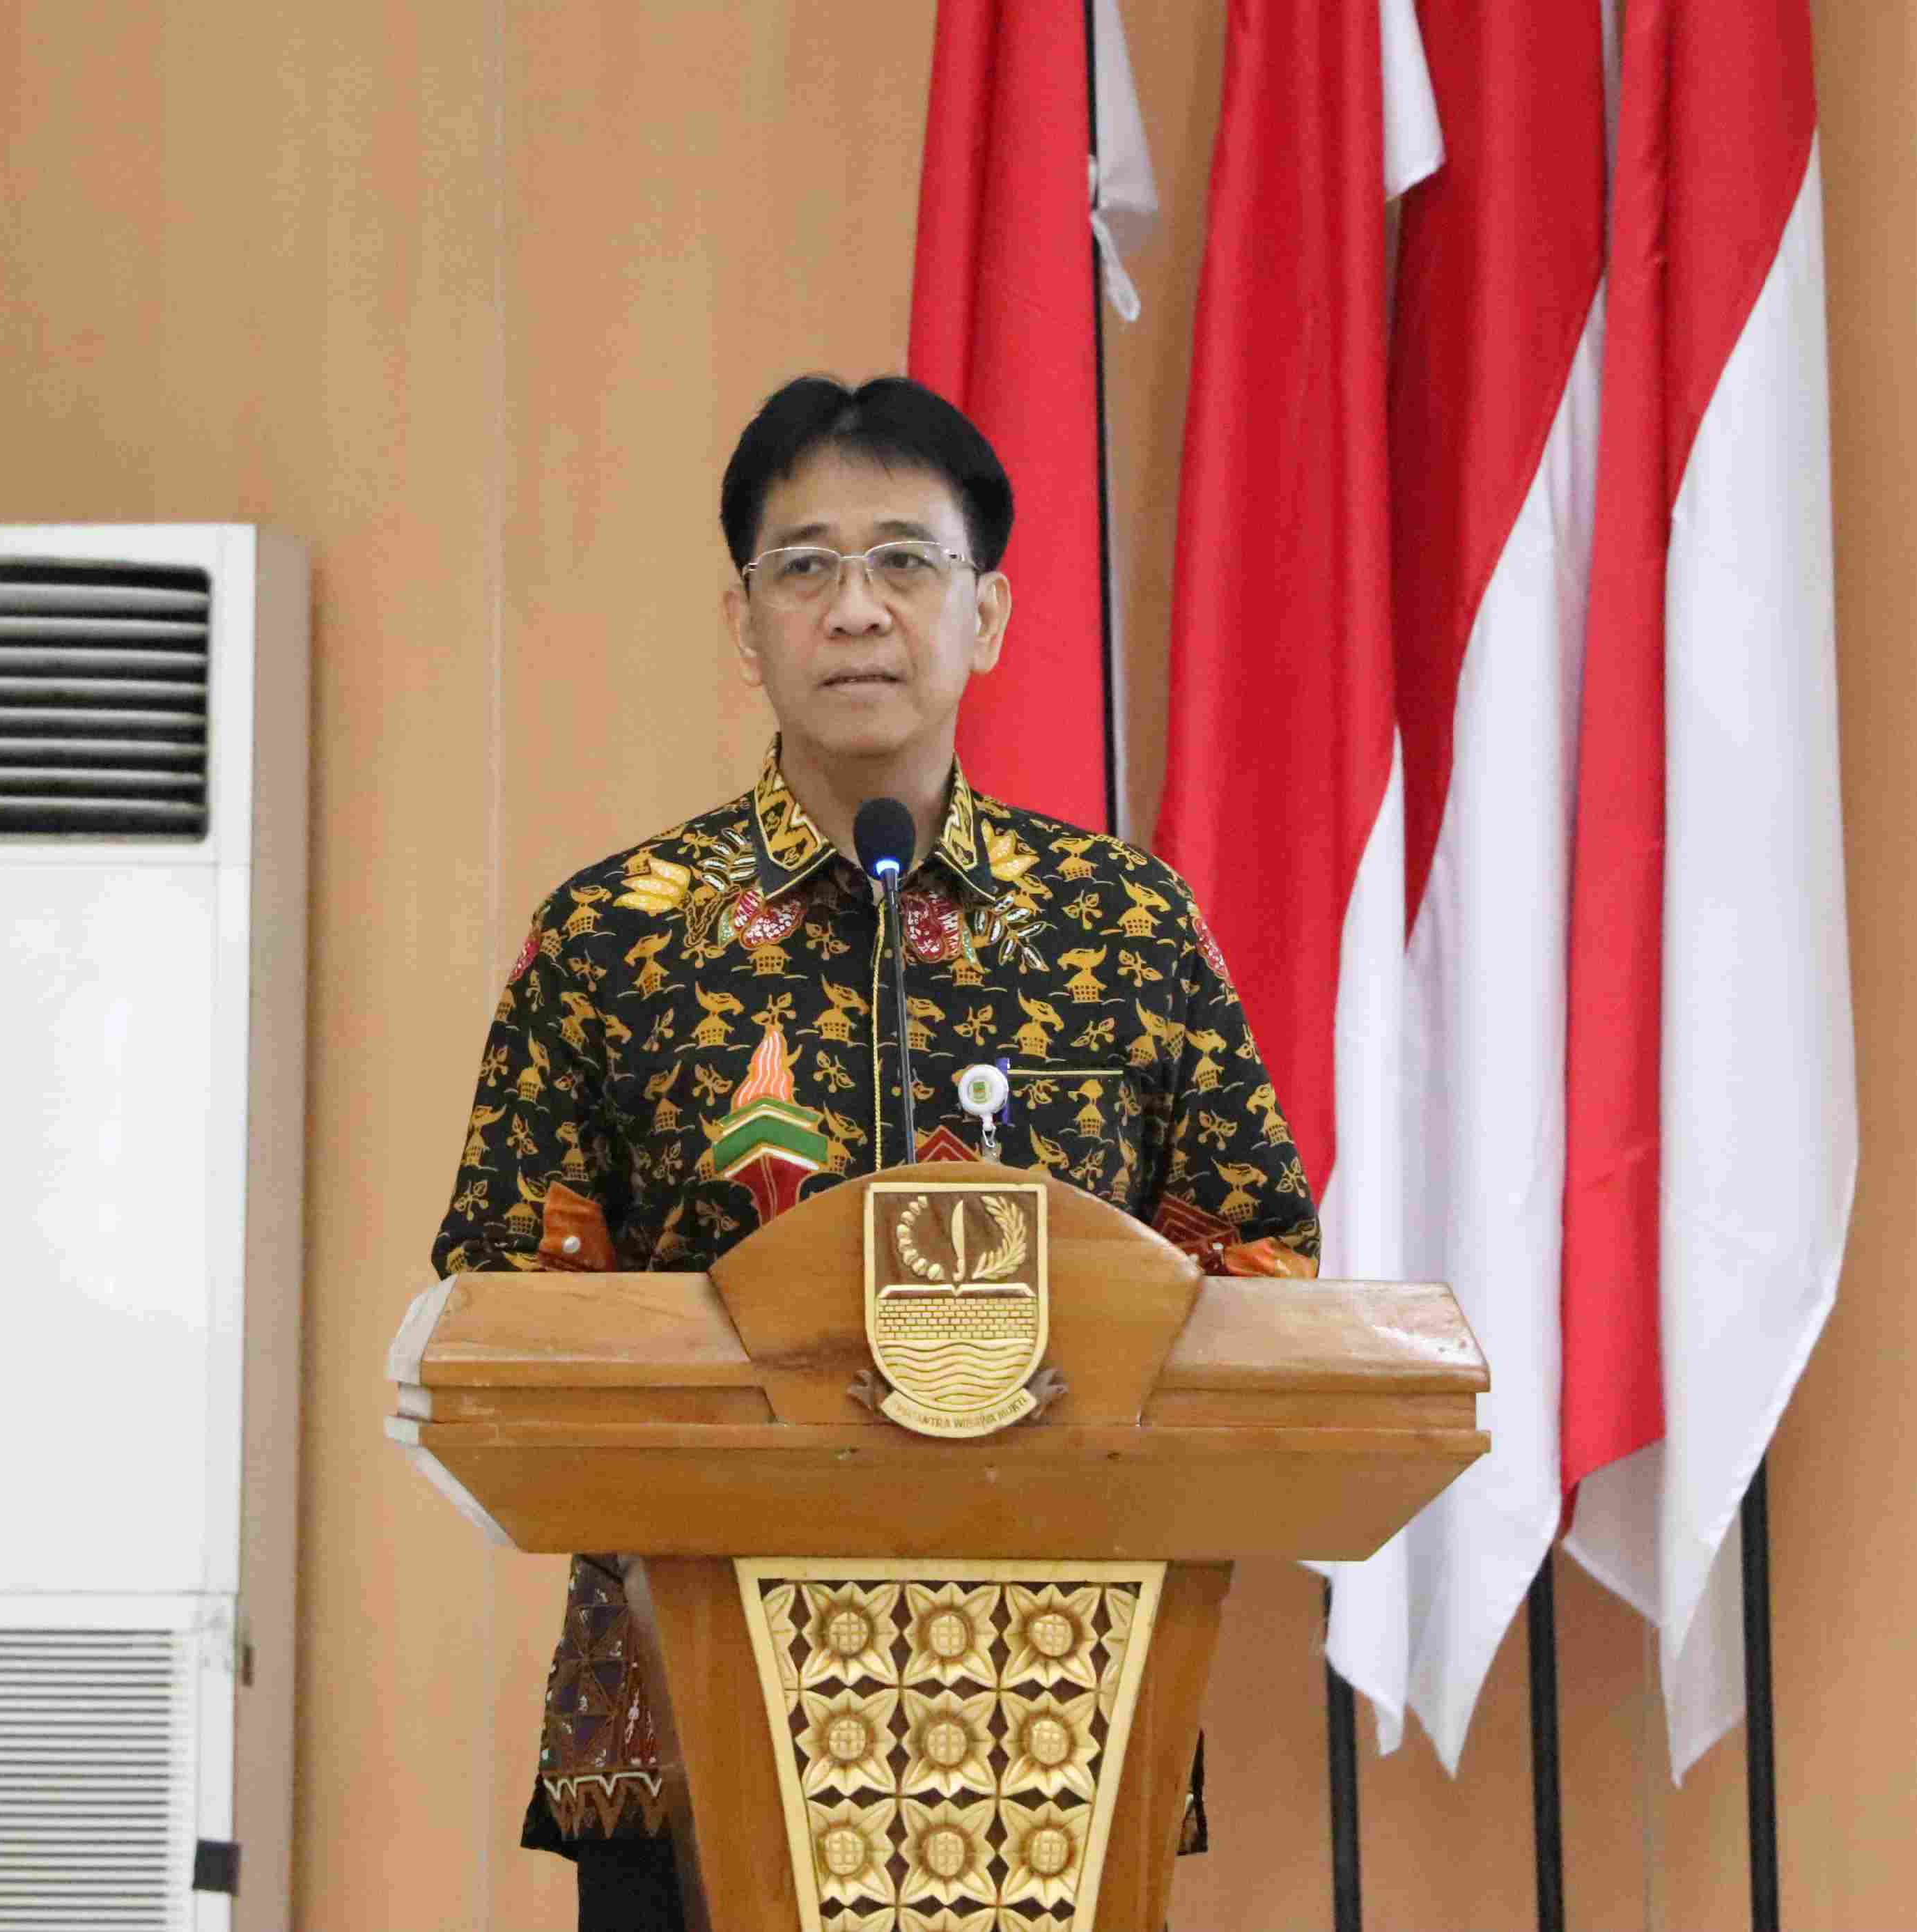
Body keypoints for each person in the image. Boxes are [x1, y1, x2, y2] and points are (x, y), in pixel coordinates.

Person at [430, 372, 1322, 1930]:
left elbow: (1261, 1267)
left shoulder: (1124, 926)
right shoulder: (614, 937)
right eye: (807, 566)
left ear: (987, 613)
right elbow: (499, 1305)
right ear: (745, 622)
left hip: (1053, 1714)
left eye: (906, 560)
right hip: (691, 1709)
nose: (857, 608)